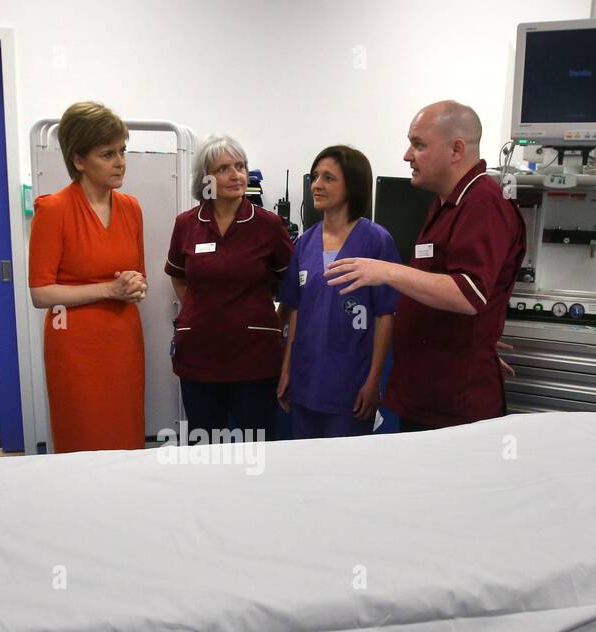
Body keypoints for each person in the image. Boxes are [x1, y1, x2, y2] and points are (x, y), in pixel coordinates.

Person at [325, 101, 526, 430]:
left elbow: (467, 294)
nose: (407, 155)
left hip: (454, 405)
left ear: (456, 149)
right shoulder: (446, 204)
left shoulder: (484, 203)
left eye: (418, 145)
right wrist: (472, 337)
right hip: (426, 389)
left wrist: (385, 271)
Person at [28, 101, 146, 453]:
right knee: (83, 437)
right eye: (107, 154)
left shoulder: (131, 208)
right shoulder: (53, 210)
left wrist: (134, 286)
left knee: (125, 435)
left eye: (122, 151)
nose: (120, 161)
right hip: (75, 344)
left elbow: (138, 276)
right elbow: (40, 293)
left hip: (123, 339)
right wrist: (110, 289)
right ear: (79, 161)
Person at [165, 134, 293, 442]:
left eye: (241, 166)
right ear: (206, 178)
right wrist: (202, 311)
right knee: (206, 447)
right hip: (199, 358)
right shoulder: (186, 224)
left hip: (255, 360)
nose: (236, 175)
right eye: (224, 168)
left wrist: (275, 324)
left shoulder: (268, 225)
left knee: (256, 448)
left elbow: (290, 284)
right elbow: (178, 277)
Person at [277, 145, 398, 439]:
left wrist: (374, 382)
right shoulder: (305, 243)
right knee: (306, 469)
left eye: (329, 178)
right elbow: (295, 311)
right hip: (306, 379)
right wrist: (287, 371)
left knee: (344, 473)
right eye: (315, 177)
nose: (317, 185)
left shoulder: (376, 241)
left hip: (350, 383)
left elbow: (385, 315)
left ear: (352, 184)